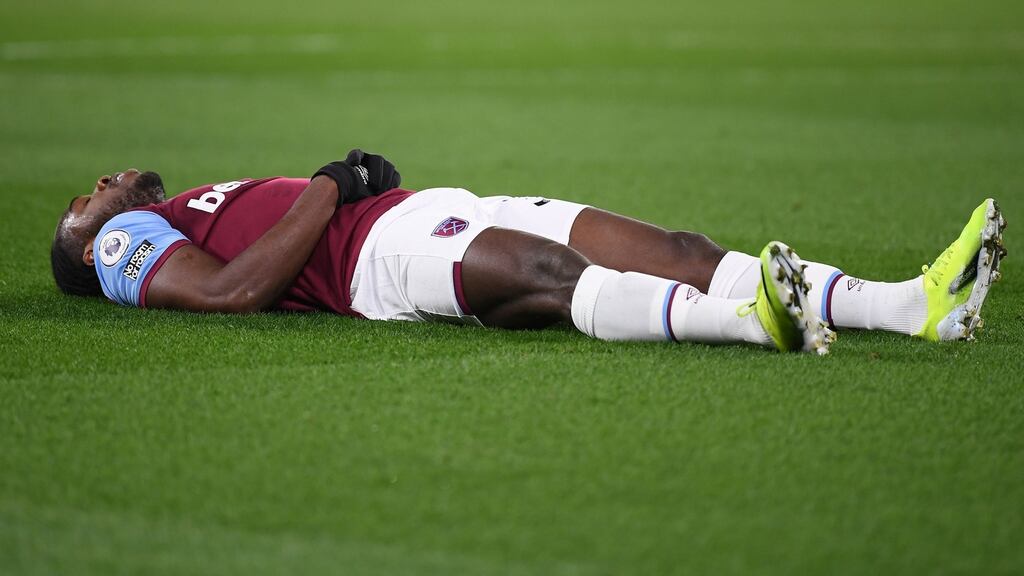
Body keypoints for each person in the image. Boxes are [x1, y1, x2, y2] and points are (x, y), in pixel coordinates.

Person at [50, 150, 1006, 355]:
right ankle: (759, 322)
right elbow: (229, 296)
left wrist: (348, 188)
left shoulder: (178, 206)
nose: (98, 186)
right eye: (79, 201)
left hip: (432, 209)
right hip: (377, 261)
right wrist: (335, 186)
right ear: (82, 238)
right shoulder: (120, 244)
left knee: (674, 245)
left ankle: (908, 304)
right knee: (554, 281)